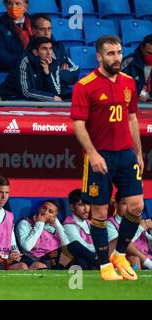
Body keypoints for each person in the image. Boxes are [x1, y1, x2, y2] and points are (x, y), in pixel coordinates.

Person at [71, 35, 144, 280]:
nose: (116, 58)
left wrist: (138, 153)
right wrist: (92, 154)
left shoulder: (128, 82)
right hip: (99, 157)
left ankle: (120, 254)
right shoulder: (85, 85)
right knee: (100, 213)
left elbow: (132, 118)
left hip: (126, 155)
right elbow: (78, 125)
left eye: (119, 52)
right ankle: (104, 267)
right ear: (99, 57)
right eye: (111, 53)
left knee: (136, 206)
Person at [16, 199, 100, 270]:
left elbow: (67, 247)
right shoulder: (25, 223)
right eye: (44, 208)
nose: (45, 212)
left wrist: (57, 224)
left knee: (81, 261)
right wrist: (40, 223)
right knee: (75, 245)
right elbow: (26, 247)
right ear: (39, 209)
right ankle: (102, 263)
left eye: (50, 212)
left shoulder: (53, 228)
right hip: (38, 259)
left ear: (54, 216)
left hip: (56, 259)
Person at [0, 37, 72, 101]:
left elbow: (56, 92)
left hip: (35, 101)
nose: (49, 53)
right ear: (35, 52)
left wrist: (47, 74)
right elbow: (26, 92)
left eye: (50, 49)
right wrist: (51, 98)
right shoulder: (24, 61)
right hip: (12, 99)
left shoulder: (53, 63)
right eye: (44, 49)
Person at [28, 13, 79, 86]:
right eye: (42, 29)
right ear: (34, 30)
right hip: (46, 94)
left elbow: (75, 71)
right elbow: (38, 79)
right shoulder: (29, 50)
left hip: (63, 91)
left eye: (49, 29)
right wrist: (61, 72)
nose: (47, 33)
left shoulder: (59, 46)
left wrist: (51, 73)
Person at [107, 192, 152, 270]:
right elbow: (119, 246)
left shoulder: (140, 221)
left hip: (147, 257)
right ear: (116, 205)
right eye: (124, 204)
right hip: (125, 258)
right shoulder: (110, 224)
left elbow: (150, 248)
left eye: (131, 204)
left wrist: (150, 232)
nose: (128, 208)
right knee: (134, 258)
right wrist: (140, 228)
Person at [0, 0, 33, 72]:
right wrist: (23, 64)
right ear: (6, 6)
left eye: (17, 4)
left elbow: (50, 46)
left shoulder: (37, 25)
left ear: (26, 6)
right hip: (10, 74)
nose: (13, 7)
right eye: (10, 3)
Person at [62, 189, 95, 256]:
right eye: (81, 205)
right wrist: (104, 247)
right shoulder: (68, 225)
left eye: (88, 204)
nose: (86, 209)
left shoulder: (91, 223)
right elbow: (82, 248)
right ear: (72, 207)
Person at [121, 34, 152, 102]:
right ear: (142, 48)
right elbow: (116, 87)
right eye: (149, 53)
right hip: (134, 105)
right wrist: (133, 98)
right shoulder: (129, 62)